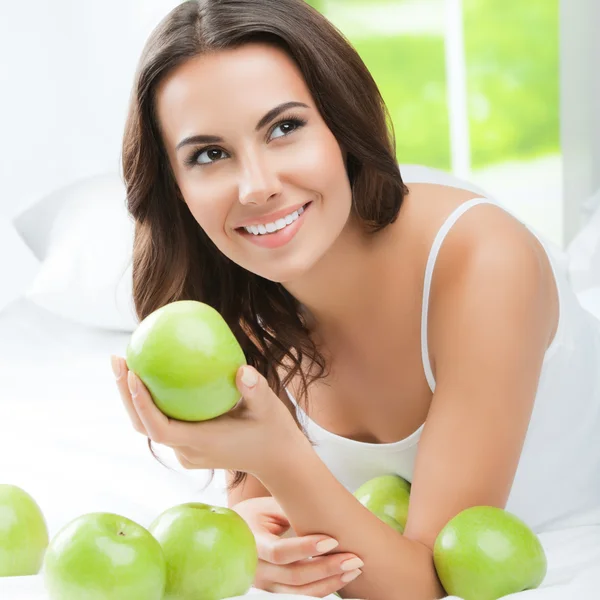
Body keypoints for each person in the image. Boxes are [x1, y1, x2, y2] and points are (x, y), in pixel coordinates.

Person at [110, 0, 600, 598]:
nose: (257, 185)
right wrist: (251, 537)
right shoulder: (235, 299)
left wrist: (280, 457)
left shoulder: (484, 262)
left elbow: (421, 586)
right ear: (176, 185)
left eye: (285, 127)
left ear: (341, 126)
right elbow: (263, 510)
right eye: (209, 154)